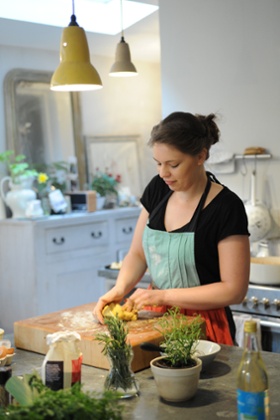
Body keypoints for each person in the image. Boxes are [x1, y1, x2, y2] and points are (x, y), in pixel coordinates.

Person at [93, 111, 250, 345]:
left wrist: (163, 295)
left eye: (173, 164)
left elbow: (234, 290)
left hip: (205, 327)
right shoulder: (158, 189)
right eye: (158, 163)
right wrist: (120, 288)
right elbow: (137, 254)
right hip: (154, 319)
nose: (163, 173)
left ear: (200, 156)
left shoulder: (226, 207)